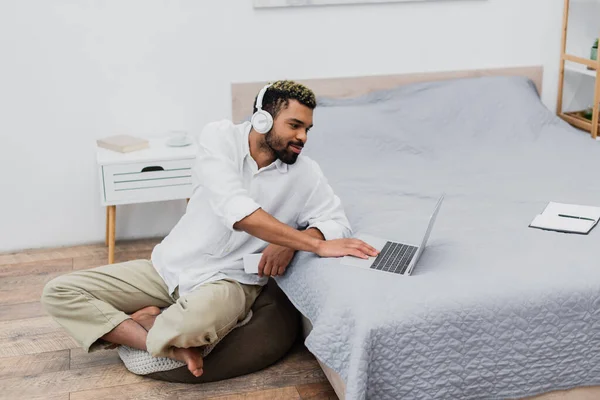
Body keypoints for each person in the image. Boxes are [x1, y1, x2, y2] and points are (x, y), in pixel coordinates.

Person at [41, 80, 378, 378]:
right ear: (263, 119)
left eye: (307, 128)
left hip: (231, 280)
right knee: (58, 291)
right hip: (168, 268)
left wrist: (298, 242)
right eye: (294, 125)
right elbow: (237, 209)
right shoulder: (218, 139)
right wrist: (315, 246)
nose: (302, 137)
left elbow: (335, 219)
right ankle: (156, 336)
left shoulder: (307, 174)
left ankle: (142, 326)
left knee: (194, 325)